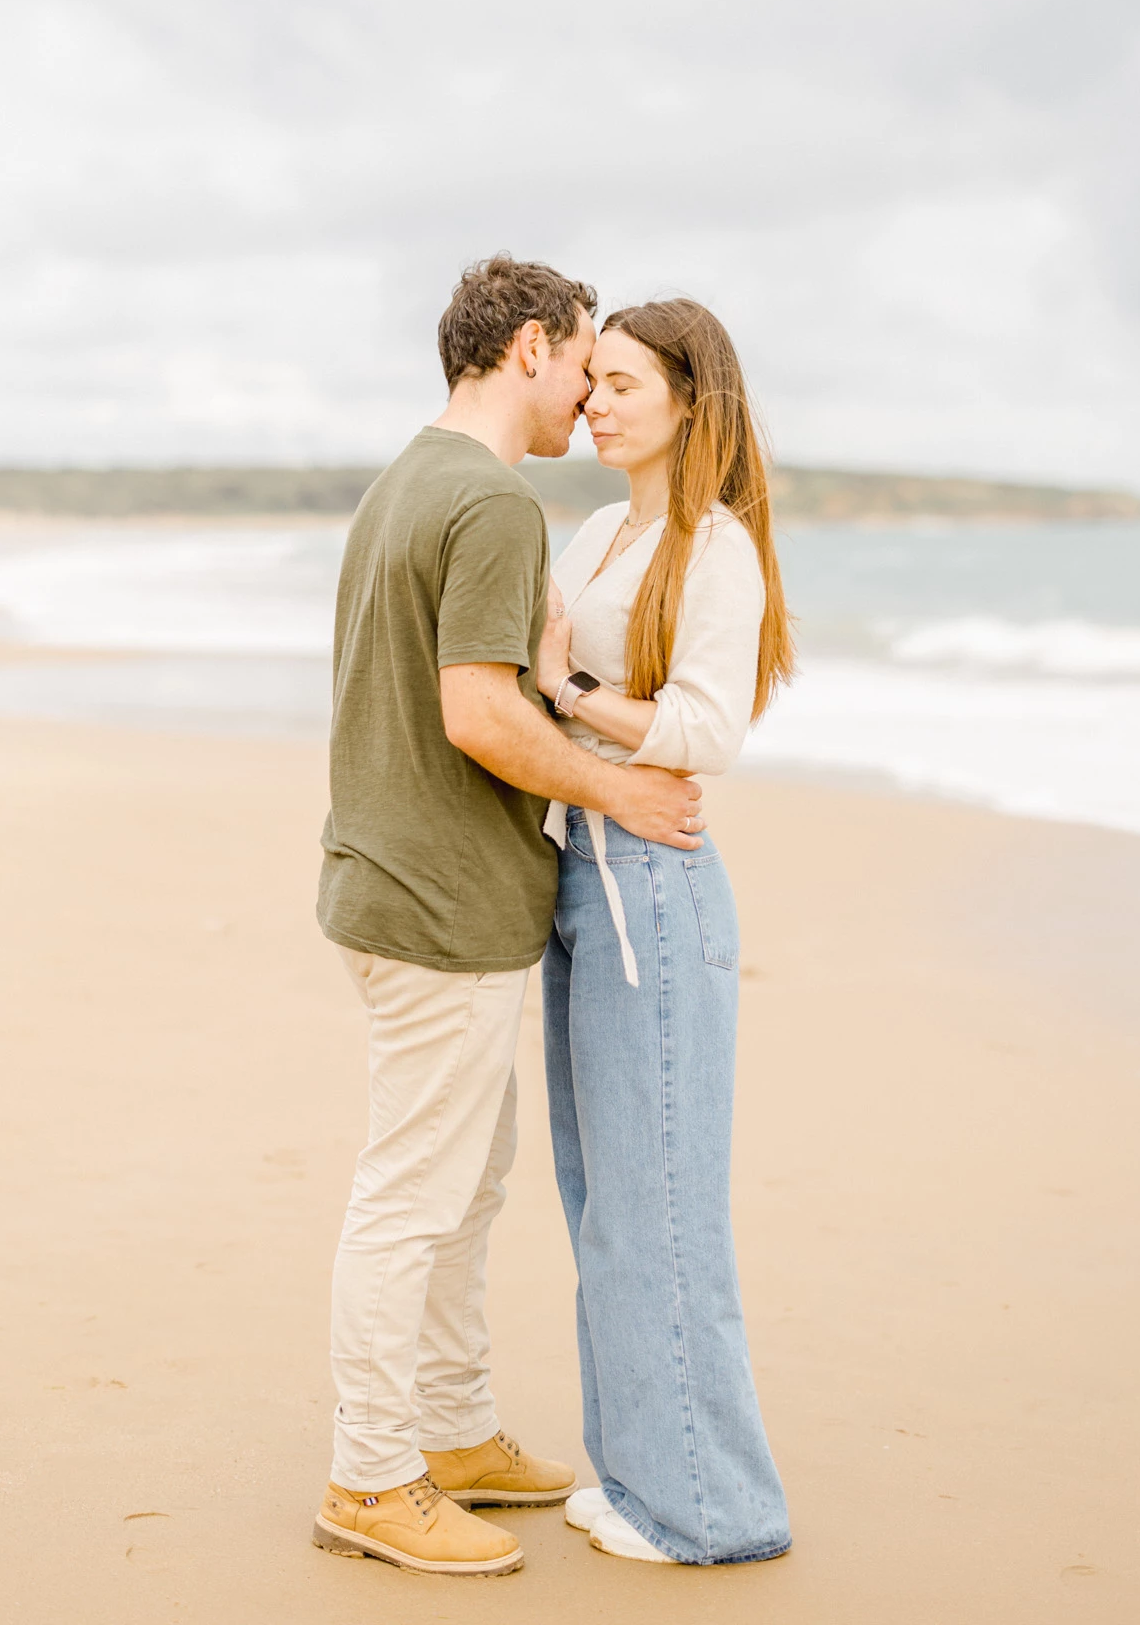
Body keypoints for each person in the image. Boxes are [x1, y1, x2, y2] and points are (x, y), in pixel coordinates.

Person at [312, 256, 705, 1578]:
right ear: (528, 346)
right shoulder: (485, 501)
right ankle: (372, 1475)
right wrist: (622, 793)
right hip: (437, 905)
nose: (588, 393)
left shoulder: (408, 479)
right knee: (415, 1198)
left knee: (462, 1191)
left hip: (403, 886)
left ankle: (456, 1428)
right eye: (582, 362)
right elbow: (475, 714)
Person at [535, 297, 795, 1566]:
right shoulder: (594, 530)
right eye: (593, 381)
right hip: (573, 873)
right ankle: (637, 1472)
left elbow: (707, 731)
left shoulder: (716, 543)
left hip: (650, 876)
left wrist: (568, 691)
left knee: (664, 1205)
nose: (597, 399)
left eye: (624, 381)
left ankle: (714, 1507)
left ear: (691, 397)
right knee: (602, 1199)